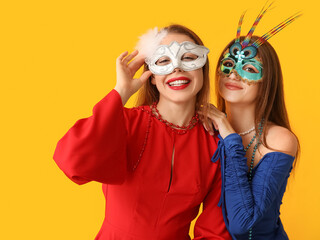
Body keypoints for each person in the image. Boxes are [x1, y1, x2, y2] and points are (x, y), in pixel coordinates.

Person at [53, 24, 231, 239]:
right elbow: (73, 161)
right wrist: (120, 93)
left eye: (189, 57)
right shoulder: (125, 124)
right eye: (164, 61)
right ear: (152, 76)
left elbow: (215, 230)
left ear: (202, 70)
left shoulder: (216, 143)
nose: (177, 68)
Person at [203, 8, 300, 240]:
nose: (233, 75)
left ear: (267, 81)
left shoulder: (279, 140)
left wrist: (230, 137)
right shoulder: (204, 129)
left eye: (248, 68)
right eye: (228, 64)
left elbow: (245, 226)